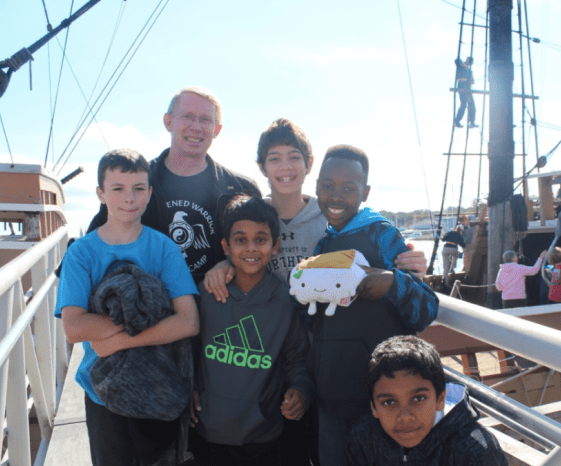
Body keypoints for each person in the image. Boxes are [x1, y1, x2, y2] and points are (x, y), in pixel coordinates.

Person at [201, 118, 427, 465]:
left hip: (331, 364)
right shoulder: (255, 216)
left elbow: (394, 276)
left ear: (308, 165)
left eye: (294, 156)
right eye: (274, 158)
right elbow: (240, 251)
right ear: (261, 166)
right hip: (269, 361)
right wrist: (221, 264)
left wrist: (409, 271)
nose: (285, 166)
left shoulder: (330, 219)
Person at [56, 149, 200, 466]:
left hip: (158, 385)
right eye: (118, 188)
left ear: (149, 193)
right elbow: (75, 327)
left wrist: (117, 342)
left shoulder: (163, 247)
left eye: (138, 188)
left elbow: (189, 321)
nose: (129, 198)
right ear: (100, 194)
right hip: (101, 392)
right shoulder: (81, 253)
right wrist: (146, 319)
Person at [311, 145, 439, 466]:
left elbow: (425, 310)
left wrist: (392, 282)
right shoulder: (322, 245)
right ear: (316, 188)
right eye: (327, 186)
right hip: (329, 396)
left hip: (381, 403)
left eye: (348, 188)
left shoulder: (382, 235)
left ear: (365, 193)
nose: (336, 196)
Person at [87, 86, 261, 284]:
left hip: (220, 299)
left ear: (217, 130)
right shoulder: (132, 184)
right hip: (149, 299)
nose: (196, 126)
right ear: (168, 122)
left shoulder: (242, 189)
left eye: (205, 119)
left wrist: (231, 263)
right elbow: (92, 250)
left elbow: (261, 253)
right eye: (187, 116)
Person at [189, 195, 313, 466]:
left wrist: (301, 390)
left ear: (275, 245)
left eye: (260, 239)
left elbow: (297, 359)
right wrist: (188, 388)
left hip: (262, 435)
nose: (251, 248)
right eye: (240, 239)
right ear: (226, 246)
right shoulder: (207, 294)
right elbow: (188, 349)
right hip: (206, 430)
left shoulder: (285, 301)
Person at [345, 335, 508, 466]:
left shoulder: (474, 448)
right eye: (389, 402)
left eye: (418, 398)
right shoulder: (365, 439)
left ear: (440, 399)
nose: (405, 416)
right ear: (374, 407)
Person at [453, 57, 477, 129]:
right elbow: (456, 60)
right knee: (463, 104)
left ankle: (472, 122)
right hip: (462, 85)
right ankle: (457, 121)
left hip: (467, 86)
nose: (469, 64)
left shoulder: (469, 70)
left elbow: (472, 82)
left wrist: (470, 75)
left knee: (472, 105)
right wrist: (465, 66)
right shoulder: (461, 65)